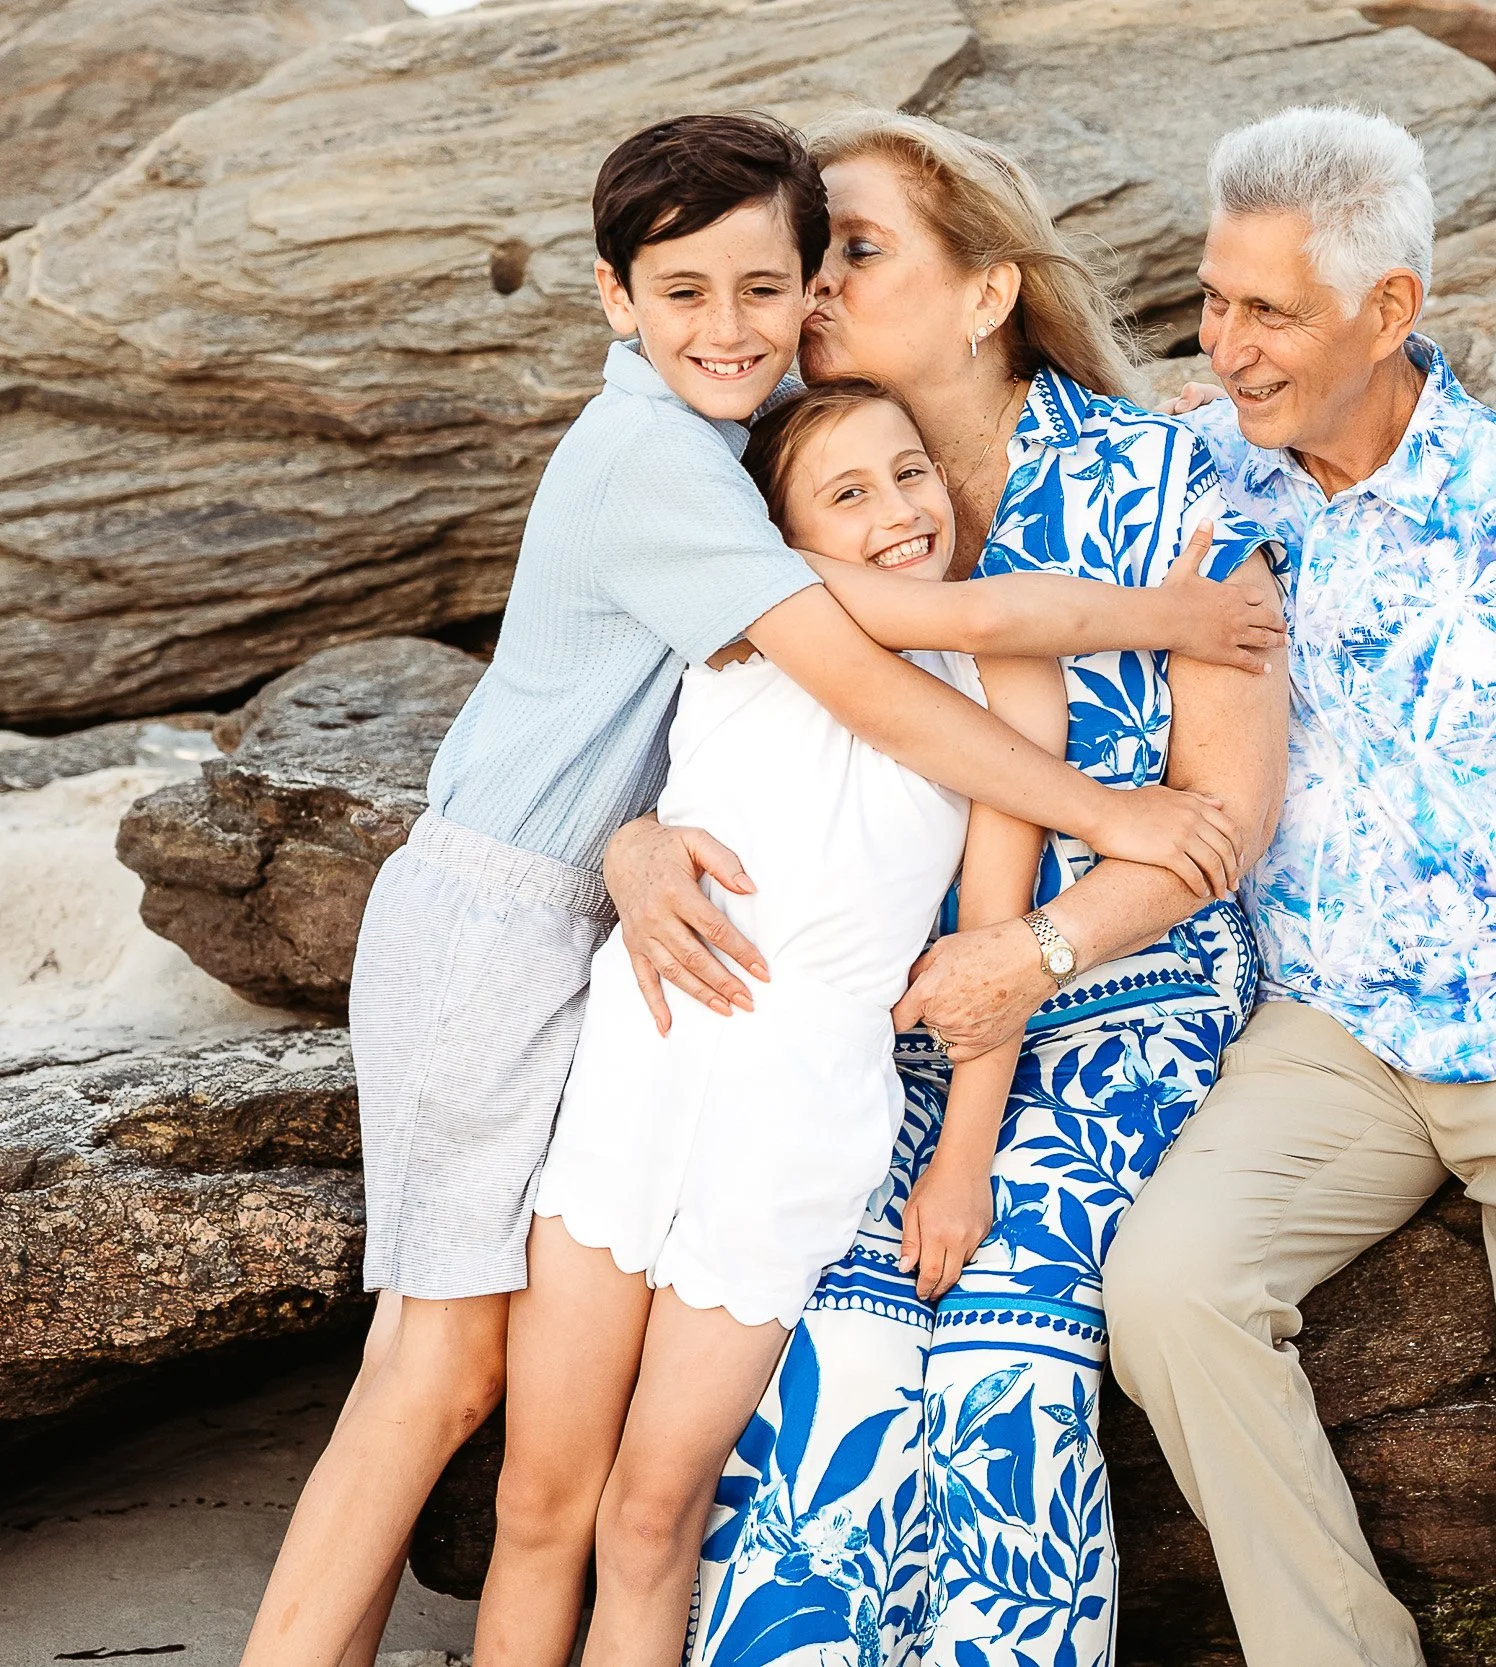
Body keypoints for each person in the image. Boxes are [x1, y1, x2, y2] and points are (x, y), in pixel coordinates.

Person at [240, 113, 1272, 1667]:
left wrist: (1174, 519)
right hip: (525, 934)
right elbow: (879, 675)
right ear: (617, 297)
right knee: (440, 1377)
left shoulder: (756, 438)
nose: (773, 311)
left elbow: (974, 633)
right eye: (746, 278)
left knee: (524, 1421)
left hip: (746, 1016)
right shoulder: (690, 459)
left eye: (799, 272)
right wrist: (1115, 787)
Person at [597, 112, 1291, 1666]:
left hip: (1115, 1001)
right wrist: (632, 847)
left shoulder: (1170, 484)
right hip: (876, 1025)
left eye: (853, 250)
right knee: (822, 1350)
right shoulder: (773, 481)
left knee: (1001, 1363)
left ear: (988, 291)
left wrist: (1035, 949)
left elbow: (1219, 823)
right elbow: (661, 726)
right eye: (809, 254)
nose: (812, 288)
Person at [1103, 107, 1496, 1667]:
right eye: (1212, 301)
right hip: (1329, 1033)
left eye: (1269, 311)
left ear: (1388, 311)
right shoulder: (1199, 480)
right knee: (1165, 1285)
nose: (1227, 346)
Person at [479, 379, 1138, 1659]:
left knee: (652, 1515)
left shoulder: (1003, 670)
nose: (900, 509)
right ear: (779, 530)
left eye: (910, 472)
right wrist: (634, 839)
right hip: (641, 1066)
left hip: (796, 1123)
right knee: (539, 1499)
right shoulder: (751, 619)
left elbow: (992, 941)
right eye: (848, 492)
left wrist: (960, 1162)